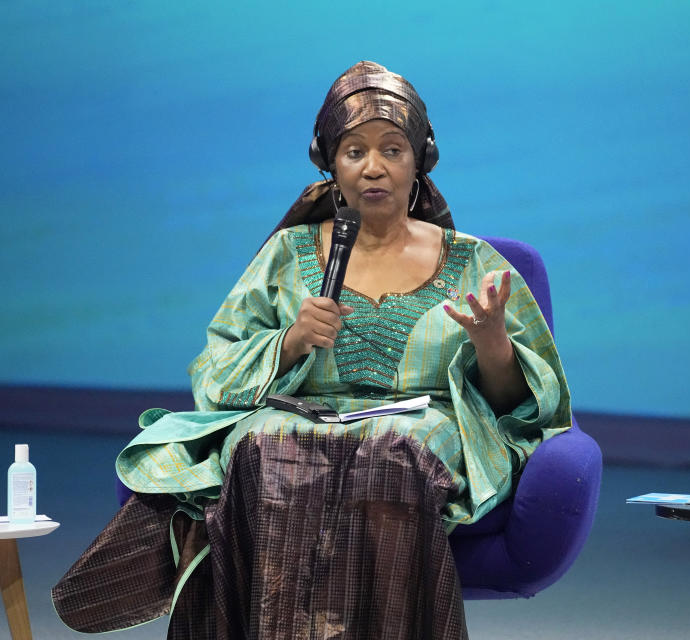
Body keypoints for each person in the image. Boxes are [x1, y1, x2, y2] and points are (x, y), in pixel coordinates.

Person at [53, 61, 571, 640]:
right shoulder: (287, 254)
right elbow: (214, 368)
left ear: (419, 159)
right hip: (299, 416)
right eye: (354, 152)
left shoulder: (474, 263)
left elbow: (522, 410)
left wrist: (492, 342)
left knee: (392, 456)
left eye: (392, 149)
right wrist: (291, 341)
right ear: (330, 163)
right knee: (260, 451)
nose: (373, 167)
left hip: (424, 426)